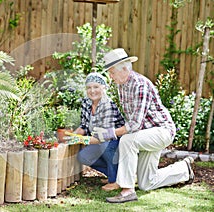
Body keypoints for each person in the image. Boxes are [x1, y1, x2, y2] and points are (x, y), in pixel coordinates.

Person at [93, 48, 194, 203]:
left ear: (125, 69)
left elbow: (134, 124)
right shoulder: (122, 86)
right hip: (145, 134)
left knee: (128, 140)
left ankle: (127, 191)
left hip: (161, 131)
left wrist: (109, 133)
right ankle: (184, 170)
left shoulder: (140, 85)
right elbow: (130, 120)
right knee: (147, 183)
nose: (110, 76)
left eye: (112, 72)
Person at [67, 72, 125, 191]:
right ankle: (114, 173)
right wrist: (71, 137)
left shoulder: (108, 105)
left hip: (114, 140)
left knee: (105, 146)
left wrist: (83, 140)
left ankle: (114, 181)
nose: (92, 91)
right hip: (97, 140)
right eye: (89, 87)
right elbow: (83, 126)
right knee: (83, 157)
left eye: (96, 87)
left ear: (103, 88)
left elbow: (106, 136)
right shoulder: (86, 103)